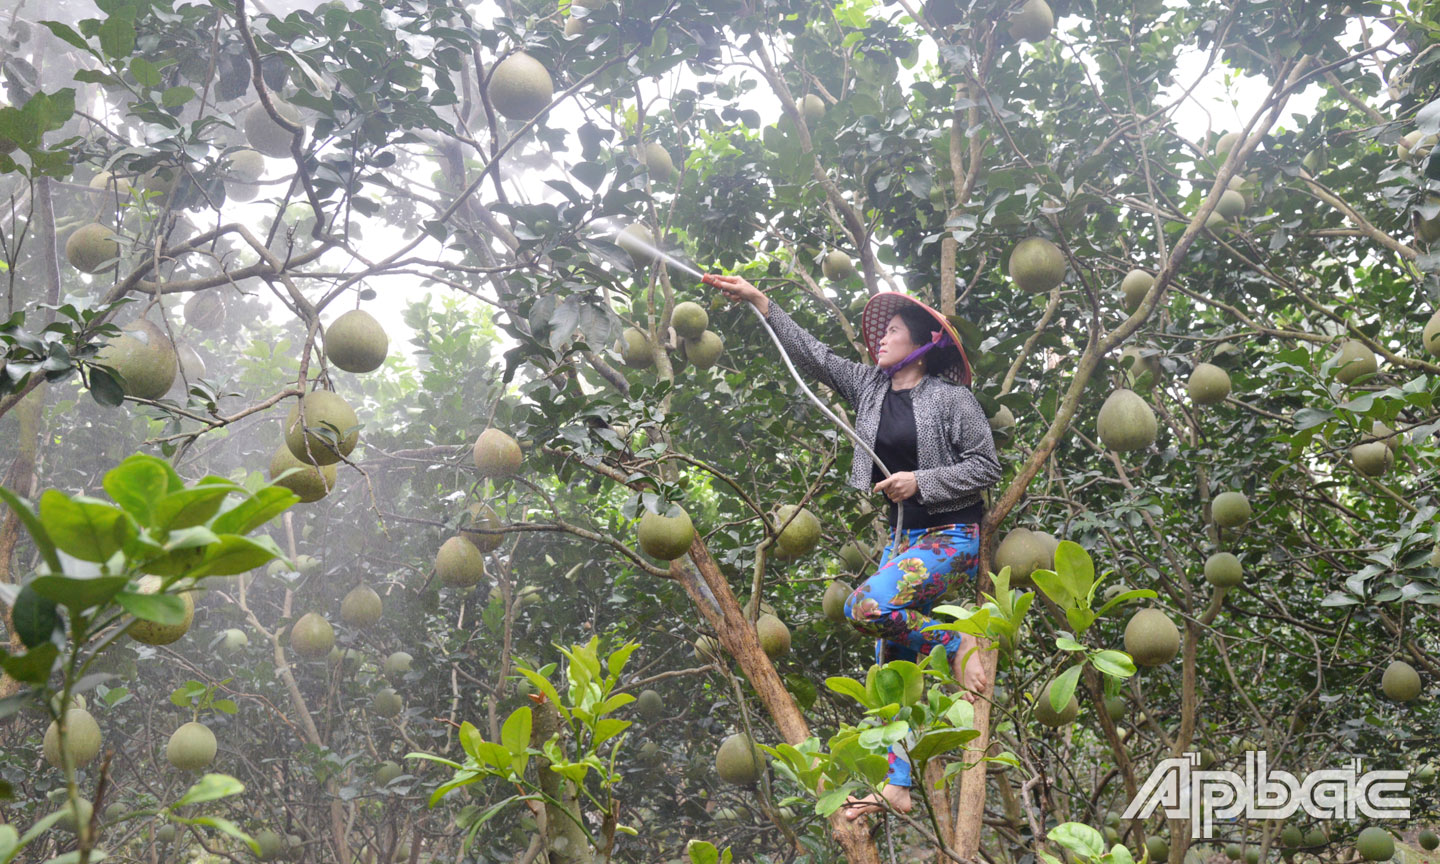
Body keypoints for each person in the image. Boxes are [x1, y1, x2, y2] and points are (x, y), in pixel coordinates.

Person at [709, 273, 1003, 823]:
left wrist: (921, 482)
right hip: (903, 544)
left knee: (865, 607)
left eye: (893, 331)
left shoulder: (951, 398)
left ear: (923, 342)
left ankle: (954, 641)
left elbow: (987, 467)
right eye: (881, 332)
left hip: (951, 537)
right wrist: (760, 302)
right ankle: (896, 786)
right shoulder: (870, 387)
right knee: (889, 669)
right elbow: (814, 357)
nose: (881, 339)